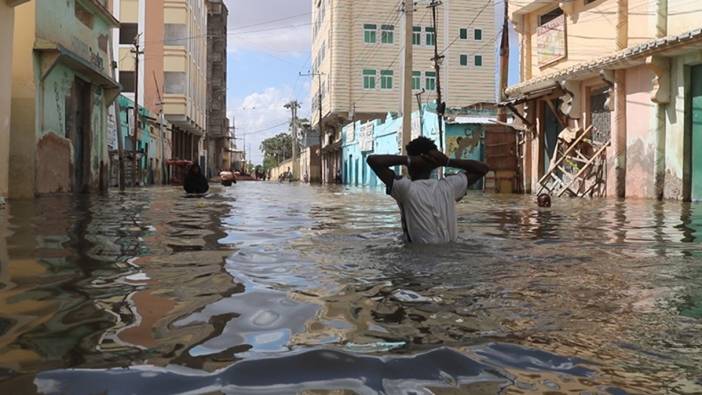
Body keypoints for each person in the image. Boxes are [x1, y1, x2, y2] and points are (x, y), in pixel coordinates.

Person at [367, 136, 489, 244]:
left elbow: (373, 160)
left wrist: (409, 160)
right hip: (449, 260)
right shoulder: (449, 186)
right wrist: (447, 161)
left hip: (416, 263)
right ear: (434, 165)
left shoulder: (405, 188)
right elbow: (483, 168)